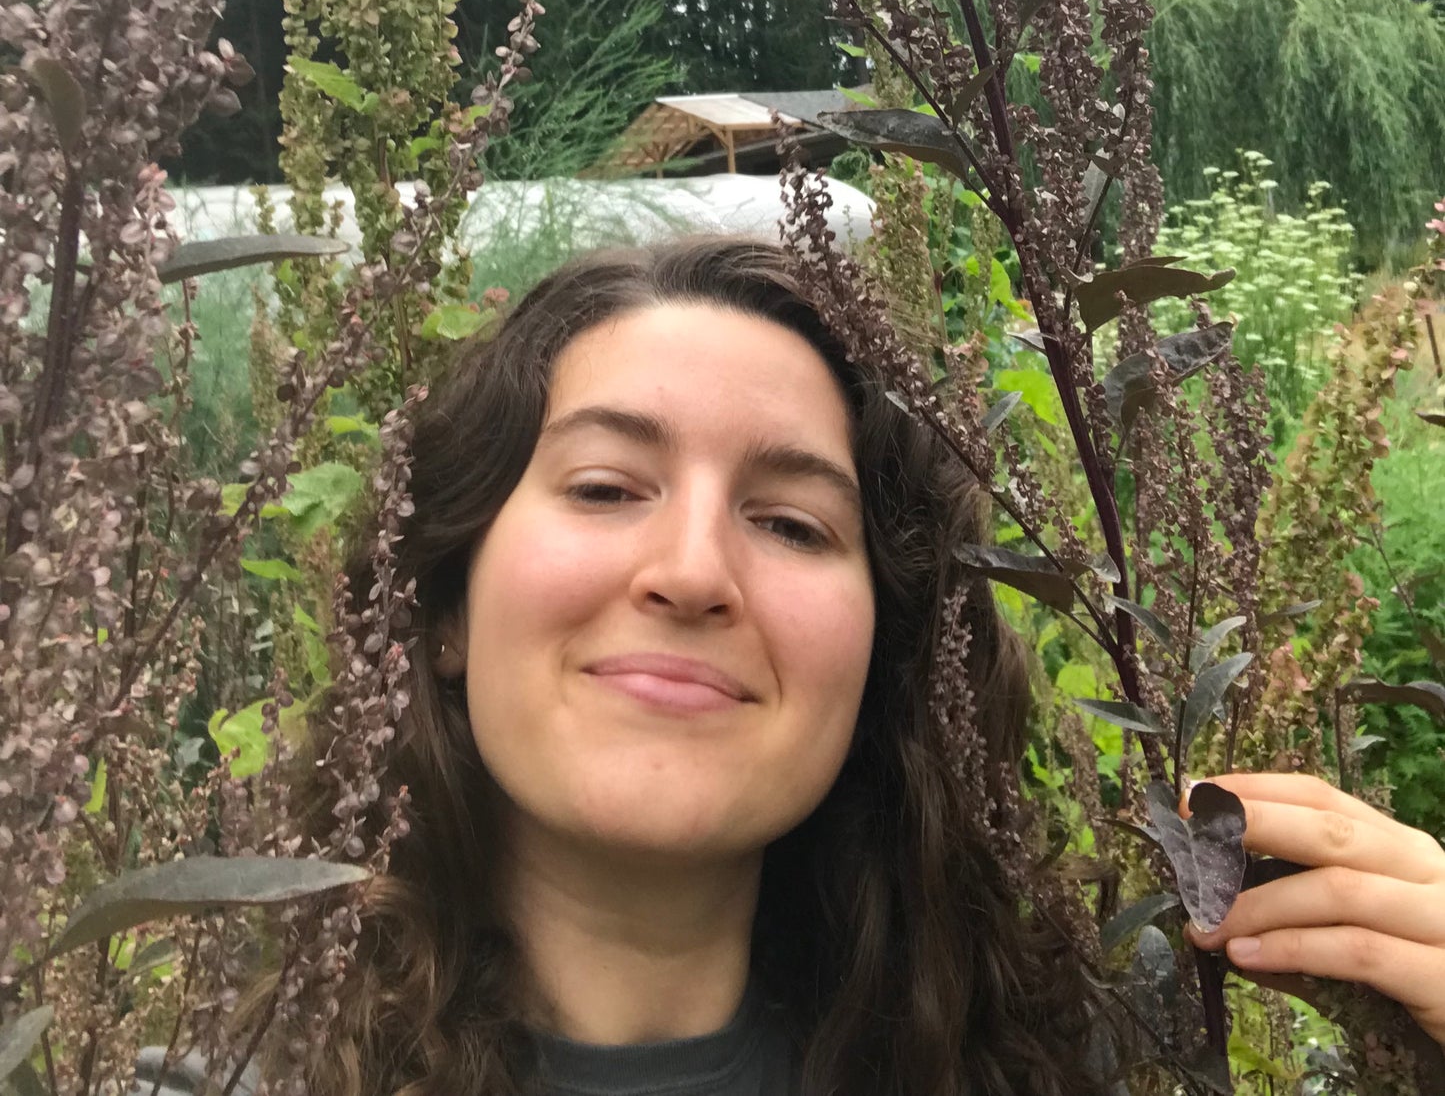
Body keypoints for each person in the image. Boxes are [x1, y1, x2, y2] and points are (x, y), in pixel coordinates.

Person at [157, 236, 1445, 1095]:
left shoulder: (1061, 1068)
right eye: (607, 487)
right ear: (444, 604)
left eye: (790, 523)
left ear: (889, 659)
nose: (694, 570)